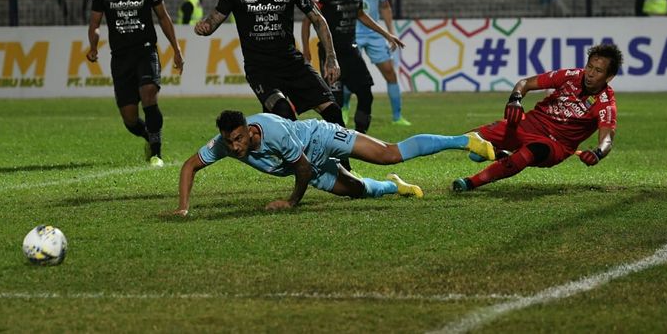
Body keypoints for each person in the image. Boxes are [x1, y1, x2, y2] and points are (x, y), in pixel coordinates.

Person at [172, 109, 497, 214]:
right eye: (230, 142)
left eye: (239, 139)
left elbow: (300, 168)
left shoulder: (274, 132)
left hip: (320, 137)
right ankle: (394, 187)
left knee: (388, 153)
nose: (236, 146)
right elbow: (189, 166)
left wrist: (291, 202)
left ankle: (464, 140)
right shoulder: (223, 145)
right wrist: (184, 207)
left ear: (248, 130)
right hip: (305, 162)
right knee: (356, 191)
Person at [194, 0, 349, 146]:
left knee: (333, 112)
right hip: (260, 70)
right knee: (284, 112)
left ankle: (345, 168)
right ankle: (302, 164)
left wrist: (331, 58)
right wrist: (204, 27)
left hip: (292, 63)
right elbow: (214, 21)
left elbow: (318, 20)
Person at [452, 43, 623, 192]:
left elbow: (607, 138)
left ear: (609, 77)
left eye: (598, 70)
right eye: (589, 67)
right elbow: (525, 83)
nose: (590, 73)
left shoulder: (606, 103)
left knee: (530, 153)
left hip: (556, 145)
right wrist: (515, 99)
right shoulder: (571, 76)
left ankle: (470, 182)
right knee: (474, 136)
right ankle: (497, 152)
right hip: (531, 125)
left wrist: (598, 153)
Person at [87, 0, 184, 168]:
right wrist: (93, 45)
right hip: (120, 57)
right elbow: (95, 23)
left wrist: (176, 49)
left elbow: (163, 18)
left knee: (149, 93)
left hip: (146, 51)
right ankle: (148, 138)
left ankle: (156, 153)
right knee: (130, 119)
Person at [301, 0, 404, 133]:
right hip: (331, 54)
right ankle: (337, 140)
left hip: (351, 51)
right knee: (335, 102)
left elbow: (361, 15)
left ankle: (360, 135)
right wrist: (306, 50)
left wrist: (387, 34)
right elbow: (307, 20)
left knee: (366, 94)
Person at [345, 0, 410, 126]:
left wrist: (390, 32)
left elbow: (385, 7)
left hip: (374, 34)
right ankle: (343, 109)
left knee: (390, 73)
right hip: (352, 33)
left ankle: (397, 117)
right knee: (349, 76)